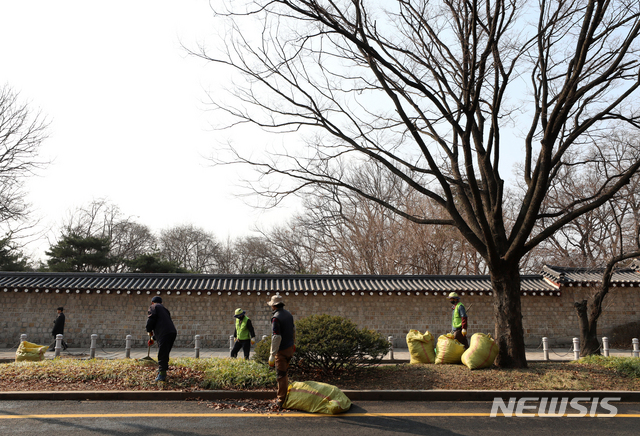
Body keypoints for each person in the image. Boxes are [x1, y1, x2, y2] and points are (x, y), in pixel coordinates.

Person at [267, 295, 295, 409]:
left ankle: (281, 401)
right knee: (286, 373)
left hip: (281, 351)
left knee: (281, 375)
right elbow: (293, 330)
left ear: (274, 306)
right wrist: (294, 343)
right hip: (290, 348)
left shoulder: (276, 318)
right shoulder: (288, 314)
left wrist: (272, 354)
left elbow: (276, 337)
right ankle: (285, 395)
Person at [146, 296, 177, 382]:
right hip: (172, 332)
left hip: (164, 333)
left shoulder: (153, 307)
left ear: (152, 302)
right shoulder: (165, 310)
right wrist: (152, 338)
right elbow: (162, 325)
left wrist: (149, 330)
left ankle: (162, 375)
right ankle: (162, 370)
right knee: (164, 353)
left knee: (162, 354)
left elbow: (151, 319)